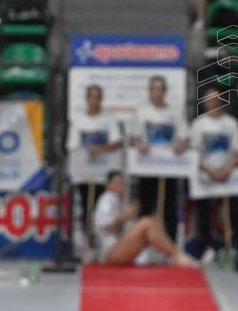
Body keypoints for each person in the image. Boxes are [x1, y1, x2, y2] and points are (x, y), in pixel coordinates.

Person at [186, 86, 238, 265]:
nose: (213, 103)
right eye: (209, 100)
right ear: (204, 103)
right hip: (206, 176)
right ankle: (208, 247)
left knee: (234, 210)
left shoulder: (231, 123)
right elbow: (193, 153)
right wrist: (209, 171)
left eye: (215, 99)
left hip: (227, 175)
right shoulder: (198, 125)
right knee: (204, 212)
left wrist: (227, 169)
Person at [93, 171, 196, 266]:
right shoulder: (107, 198)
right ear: (108, 185)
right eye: (116, 183)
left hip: (119, 246)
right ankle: (176, 255)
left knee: (151, 223)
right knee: (146, 223)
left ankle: (172, 255)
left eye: (122, 183)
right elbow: (103, 225)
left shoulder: (122, 201)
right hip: (109, 252)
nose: (120, 186)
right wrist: (124, 217)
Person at [130, 75, 188, 241]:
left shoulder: (175, 113)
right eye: (154, 89)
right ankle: (143, 241)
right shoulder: (142, 112)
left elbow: (184, 136)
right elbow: (134, 138)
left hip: (169, 167)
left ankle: (170, 243)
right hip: (148, 167)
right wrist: (139, 145)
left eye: (160, 89)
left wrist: (181, 145)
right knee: (146, 205)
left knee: (169, 206)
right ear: (150, 91)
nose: (157, 92)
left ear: (165, 91)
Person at [67, 83, 124, 242]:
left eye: (98, 98)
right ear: (87, 99)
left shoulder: (109, 119)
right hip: (85, 173)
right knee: (86, 206)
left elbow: (117, 142)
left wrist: (101, 149)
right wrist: (88, 149)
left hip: (103, 173)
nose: (95, 101)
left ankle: (105, 239)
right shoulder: (78, 120)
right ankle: (88, 239)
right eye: (92, 97)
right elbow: (73, 146)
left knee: (104, 205)